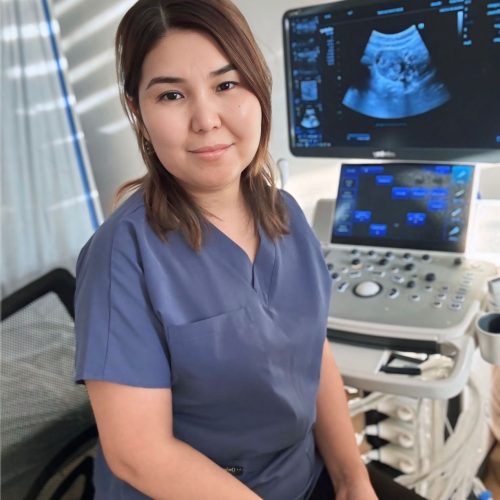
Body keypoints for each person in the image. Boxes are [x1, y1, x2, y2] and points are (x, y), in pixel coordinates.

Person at [74, 1, 424, 499]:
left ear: (258, 87)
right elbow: (140, 453)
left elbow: (314, 351)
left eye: (226, 85)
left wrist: (351, 477)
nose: (206, 119)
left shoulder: (285, 214)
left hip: (302, 474)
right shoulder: (122, 255)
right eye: (171, 94)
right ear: (139, 111)